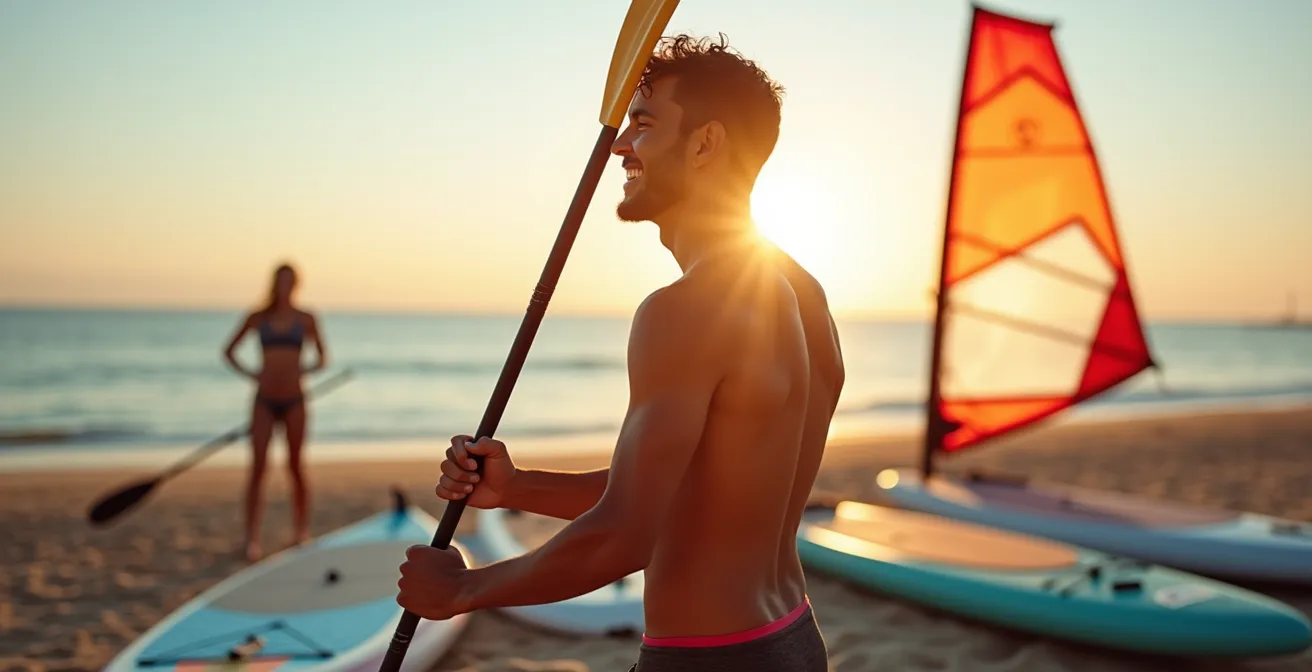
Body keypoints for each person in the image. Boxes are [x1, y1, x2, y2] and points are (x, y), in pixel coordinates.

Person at [397, 34, 844, 671]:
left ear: (705, 143)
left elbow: (626, 534)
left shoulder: (684, 308)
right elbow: (695, 495)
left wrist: (463, 590)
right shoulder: (804, 294)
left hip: (706, 659)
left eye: (644, 123)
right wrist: (518, 487)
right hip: (791, 640)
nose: (619, 145)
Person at [222, 262, 328, 562]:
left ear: (297, 284)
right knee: (258, 469)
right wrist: (253, 374)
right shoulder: (258, 317)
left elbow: (323, 358)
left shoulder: (306, 318)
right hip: (264, 400)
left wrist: (302, 370)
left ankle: (301, 532)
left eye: (290, 281)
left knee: (295, 466)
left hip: (295, 399)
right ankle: (251, 539)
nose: (286, 286)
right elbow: (228, 351)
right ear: (274, 282)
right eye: (281, 280)